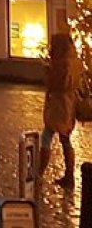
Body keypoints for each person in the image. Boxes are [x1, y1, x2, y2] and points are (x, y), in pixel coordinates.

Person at [40, 31, 82, 189]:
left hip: (59, 106)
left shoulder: (61, 63)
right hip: (68, 105)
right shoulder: (74, 61)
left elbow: (57, 84)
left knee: (49, 136)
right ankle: (68, 174)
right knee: (63, 138)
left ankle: (40, 171)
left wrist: (48, 72)